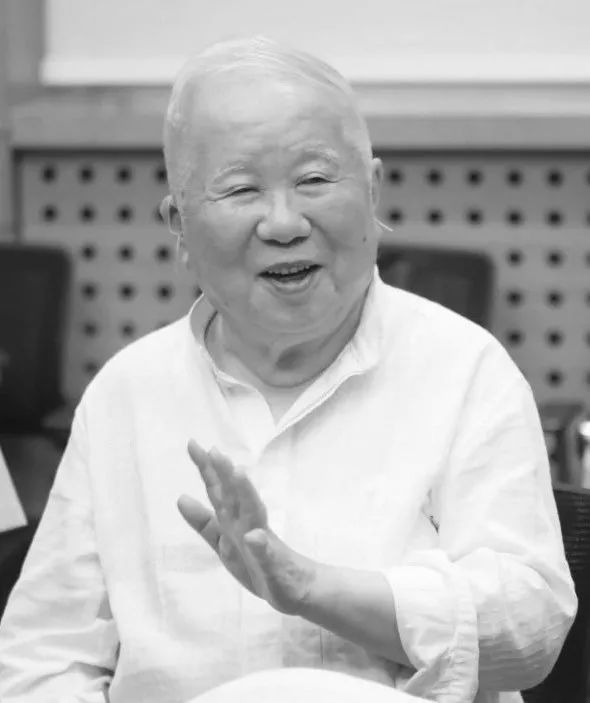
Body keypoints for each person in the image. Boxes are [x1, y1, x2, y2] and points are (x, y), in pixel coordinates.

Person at [0, 36, 577, 703]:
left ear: (373, 190)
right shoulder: (126, 395)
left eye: (314, 180)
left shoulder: (464, 370)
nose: (283, 223)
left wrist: (309, 588)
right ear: (179, 225)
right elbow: (43, 660)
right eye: (241, 189)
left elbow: (530, 628)